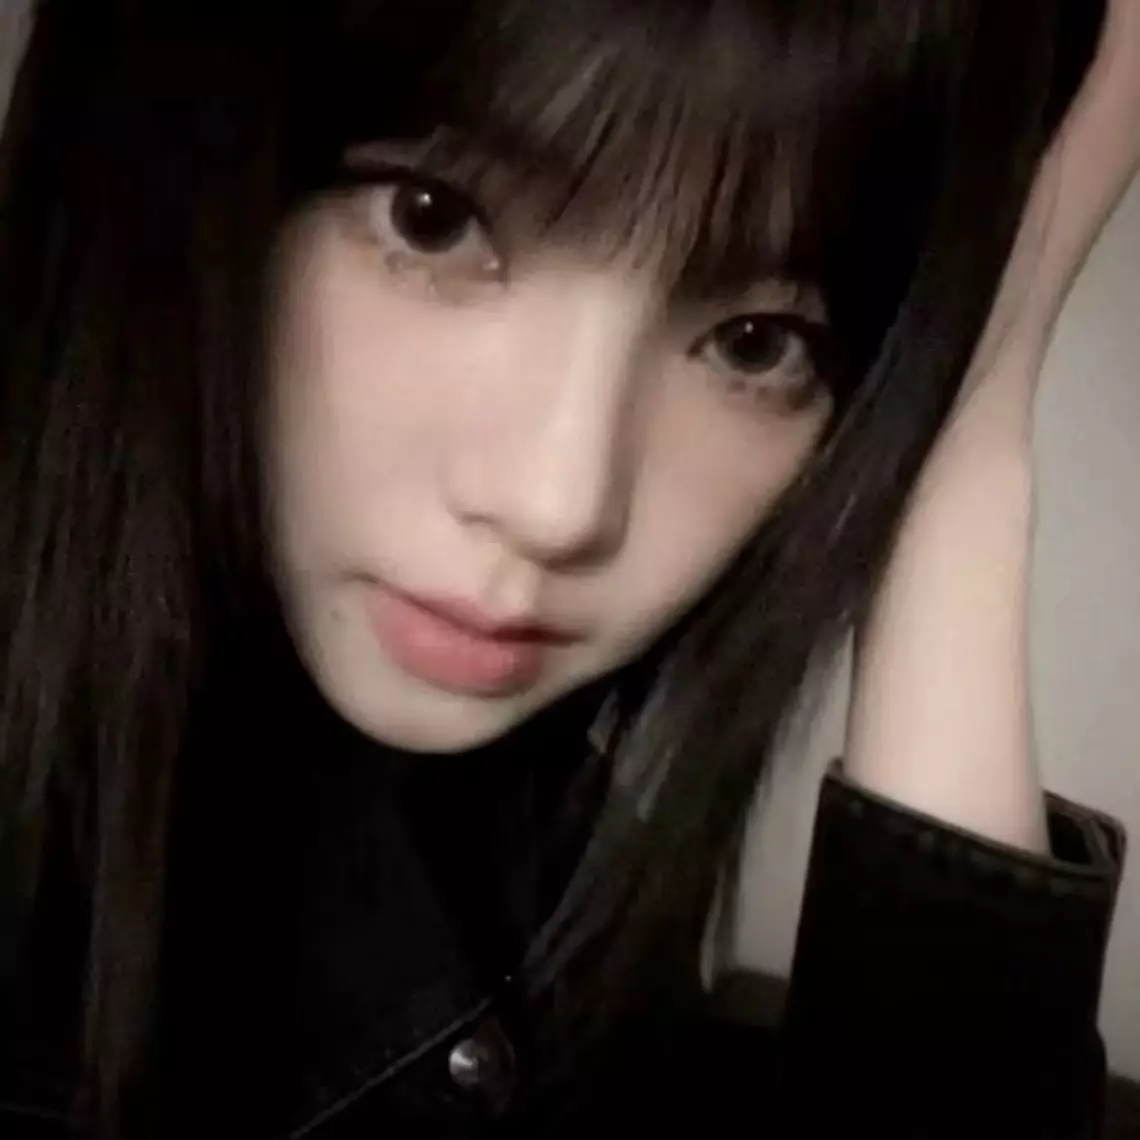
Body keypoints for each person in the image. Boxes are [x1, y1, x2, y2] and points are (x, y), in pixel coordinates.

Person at [0, 0, 1137, 1137]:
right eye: (434, 222)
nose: (561, 505)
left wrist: (967, 408)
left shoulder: (523, 820)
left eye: (755, 344)